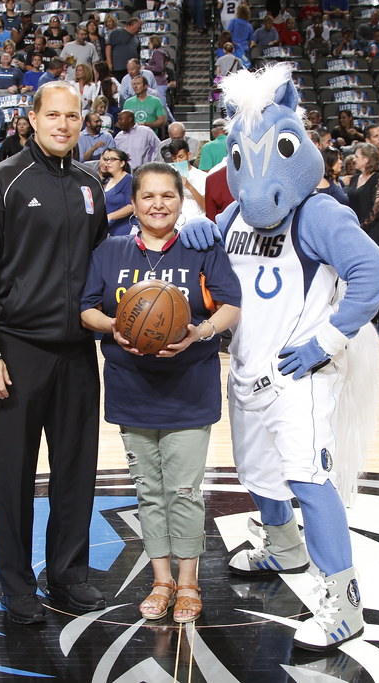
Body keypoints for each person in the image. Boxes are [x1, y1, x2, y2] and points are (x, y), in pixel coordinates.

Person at [178, 64, 379, 651]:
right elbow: (212, 243)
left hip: (304, 369)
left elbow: (374, 272)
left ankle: (344, 605)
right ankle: (283, 544)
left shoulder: (318, 213)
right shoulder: (239, 213)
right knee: (256, 473)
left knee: (309, 477)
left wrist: (327, 342)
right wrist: (199, 232)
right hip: (247, 364)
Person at [0, 80, 109, 624]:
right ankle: (18, 585)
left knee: (76, 471)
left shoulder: (92, 185)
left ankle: (69, 574)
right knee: (14, 476)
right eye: (54, 115)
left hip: (76, 354)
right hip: (16, 351)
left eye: (73, 116)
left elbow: (100, 268)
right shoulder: (2, 182)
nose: (64, 125)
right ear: (32, 118)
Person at [80, 162, 241, 623]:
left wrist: (201, 332)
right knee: (149, 492)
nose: (157, 205)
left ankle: (189, 583)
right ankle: (161, 580)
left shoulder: (201, 247)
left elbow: (232, 304)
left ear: (180, 200)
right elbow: (86, 308)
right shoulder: (109, 252)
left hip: (189, 389)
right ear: (133, 203)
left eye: (167, 196)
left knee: (185, 491)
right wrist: (115, 324)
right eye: (147, 196)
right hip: (131, 387)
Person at [101, 148, 133, 236]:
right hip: (109, 229)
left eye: (113, 159)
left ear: (122, 163)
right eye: (107, 159)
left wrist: (110, 216)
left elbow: (131, 206)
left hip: (123, 230)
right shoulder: (108, 181)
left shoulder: (128, 180)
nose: (108, 162)